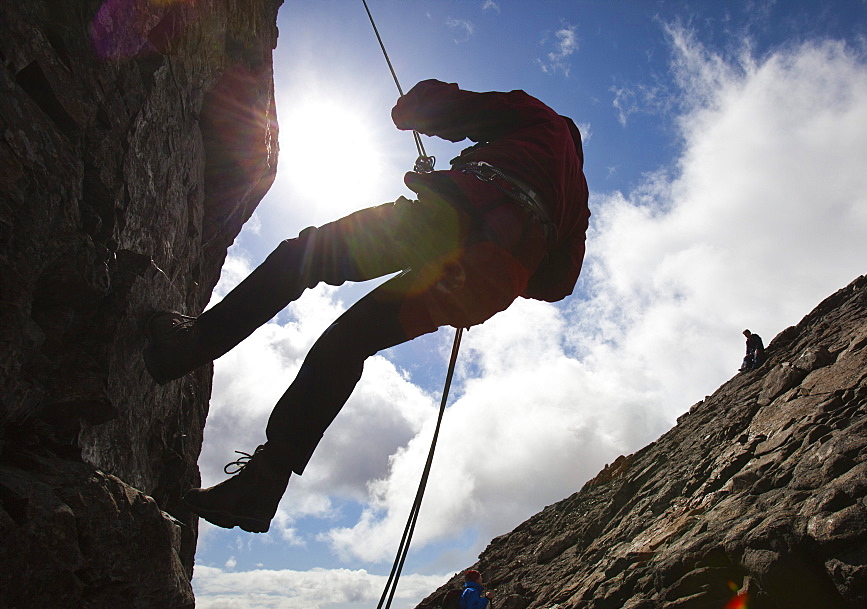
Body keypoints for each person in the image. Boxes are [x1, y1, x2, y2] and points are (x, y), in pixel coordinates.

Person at [142, 80, 589, 533]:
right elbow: (559, 283)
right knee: (349, 343)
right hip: (490, 281)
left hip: (451, 220)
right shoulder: (577, 201)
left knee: (306, 257)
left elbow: (458, 108)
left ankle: (191, 345)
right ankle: (260, 488)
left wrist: (416, 109)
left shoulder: (542, 121)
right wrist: (508, 254)